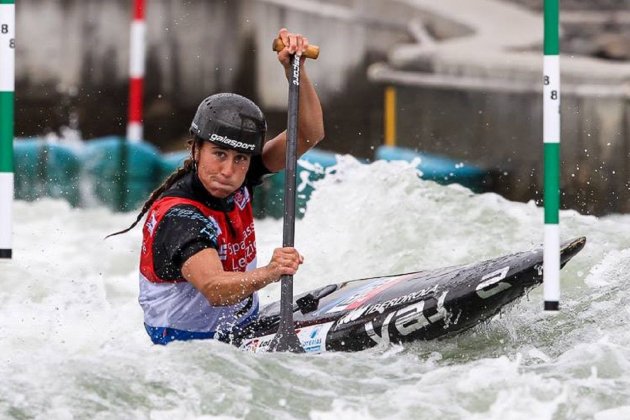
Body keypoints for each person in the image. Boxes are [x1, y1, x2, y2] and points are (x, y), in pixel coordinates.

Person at [109, 28, 324, 345]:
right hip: (191, 345)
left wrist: (295, 69)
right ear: (195, 149)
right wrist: (270, 271)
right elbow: (215, 289)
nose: (228, 170)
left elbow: (307, 135)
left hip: (244, 324)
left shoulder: (240, 176)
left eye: (240, 158)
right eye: (219, 154)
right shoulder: (180, 217)